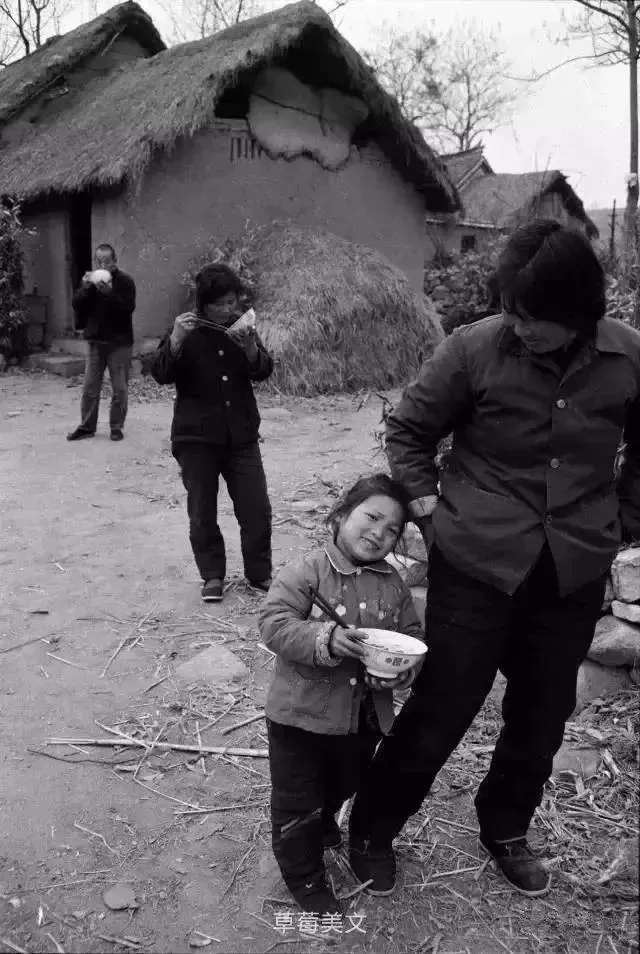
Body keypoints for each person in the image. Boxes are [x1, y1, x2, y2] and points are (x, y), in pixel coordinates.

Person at [347, 219, 640, 899]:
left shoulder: (627, 357)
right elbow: (409, 430)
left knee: (542, 714)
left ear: (579, 312)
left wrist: (625, 520)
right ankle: (373, 828)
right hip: (476, 566)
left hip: (570, 570)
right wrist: (428, 514)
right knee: (444, 705)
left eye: (535, 317)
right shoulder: (474, 348)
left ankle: (506, 827)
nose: (520, 326)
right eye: (512, 309)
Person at [259, 474, 424, 915]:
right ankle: (305, 878)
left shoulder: (393, 583)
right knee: (297, 802)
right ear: (340, 514)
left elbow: (411, 635)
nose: (379, 533)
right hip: (299, 717)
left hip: (363, 718)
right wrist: (324, 638)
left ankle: (325, 820)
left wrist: (402, 671)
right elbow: (273, 623)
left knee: (345, 782)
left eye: (392, 529)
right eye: (371, 517)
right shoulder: (307, 571)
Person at [150, 263, 273, 602]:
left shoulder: (242, 329)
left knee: (256, 509)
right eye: (221, 303)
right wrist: (175, 340)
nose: (230, 309)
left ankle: (259, 574)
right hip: (196, 440)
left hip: (241, 436)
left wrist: (250, 348)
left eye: (233, 301)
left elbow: (263, 370)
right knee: (202, 512)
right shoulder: (185, 331)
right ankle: (212, 575)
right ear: (204, 304)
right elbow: (160, 373)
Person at [67, 243, 136, 442]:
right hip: (96, 341)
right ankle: (87, 426)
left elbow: (128, 307)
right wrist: (85, 288)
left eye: (107, 261)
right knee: (90, 387)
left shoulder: (125, 281)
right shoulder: (92, 281)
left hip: (119, 343)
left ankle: (116, 427)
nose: (103, 265)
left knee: (120, 388)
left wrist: (110, 293)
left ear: (115, 261)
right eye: (99, 261)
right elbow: (76, 305)